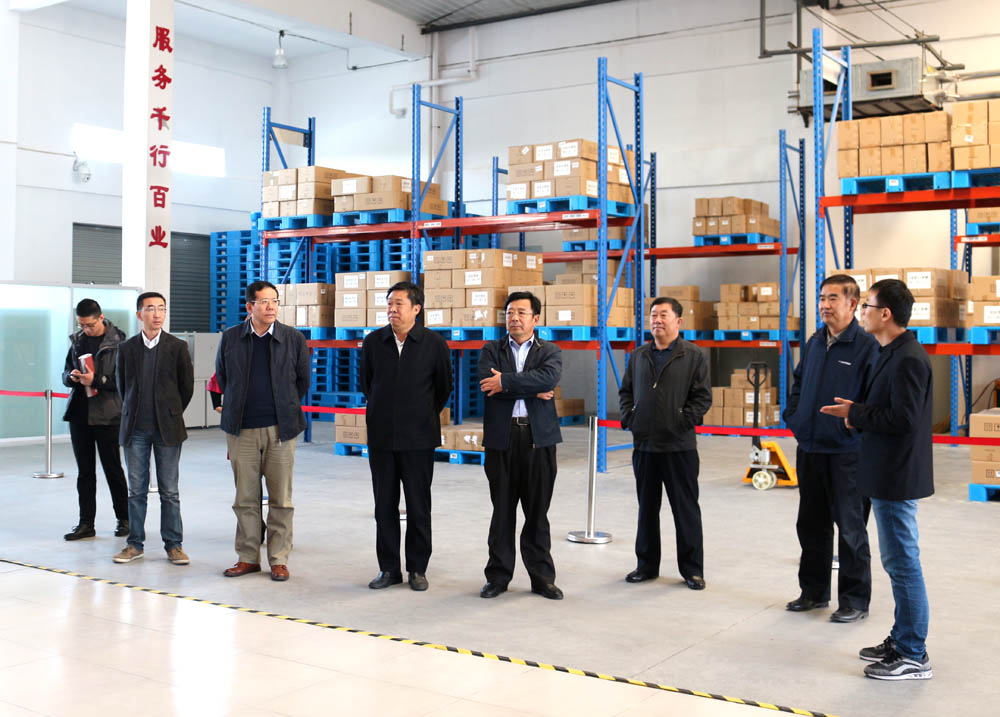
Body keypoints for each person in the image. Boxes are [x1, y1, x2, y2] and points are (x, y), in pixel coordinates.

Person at [821, 279, 934, 681]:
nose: (862, 312)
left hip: (896, 477)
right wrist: (858, 410)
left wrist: (856, 414)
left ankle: (913, 654)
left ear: (885, 314)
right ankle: (902, 639)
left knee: (903, 564)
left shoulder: (908, 359)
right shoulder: (891, 353)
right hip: (885, 472)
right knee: (896, 562)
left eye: (867, 306)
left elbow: (903, 419)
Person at [783, 275, 879, 622]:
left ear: (852, 304)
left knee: (851, 529)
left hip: (847, 453)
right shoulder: (814, 342)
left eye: (833, 298)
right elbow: (798, 382)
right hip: (810, 448)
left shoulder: (866, 346)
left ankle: (854, 600)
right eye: (822, 298)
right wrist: (794, 417)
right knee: (811, 525)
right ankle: (813, 592)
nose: (824, 305)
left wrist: (851, 428)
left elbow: (873, 399)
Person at [215, 280, 309, 582]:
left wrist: (283, 407)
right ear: (249, 306)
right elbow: (223, 377)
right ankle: (247, 558)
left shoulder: (292, 338)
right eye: (264, 301)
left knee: (281, 499)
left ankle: (278, 559)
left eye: (274, 301)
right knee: (245, 498)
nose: (271, 307)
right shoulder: (231, 338)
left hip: (281, 429)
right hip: (241, 430)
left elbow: (302, 381)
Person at [361, 281, 452, 592]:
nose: (392, 309)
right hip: (382, 439)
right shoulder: (374, 342)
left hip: (419, 439)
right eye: (389, 304)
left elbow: (443, 388)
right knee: (383, 507)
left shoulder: (433, 344)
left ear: (416, 309)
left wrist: (420, 414)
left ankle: (417, 569)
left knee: (418, 506)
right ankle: (388, 569)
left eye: (399, 304)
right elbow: (367, 384)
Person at [619, 297, 712, 590]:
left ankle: (692, 570)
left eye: (663, 315)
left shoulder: (693, 356)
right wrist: (630, 418)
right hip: (645, 446)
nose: (657, 320)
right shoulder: (639, 355)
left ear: (678, 321)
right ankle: (646, 566)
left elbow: (702, 398)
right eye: (653, 315)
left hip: (679, 447)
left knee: (685, 509)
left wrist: (681, 421)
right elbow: (626, 392)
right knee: (647, 509)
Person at [477, 291, 563, 600]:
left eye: (521, 313)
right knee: (502, 512)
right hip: (502, 439)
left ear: (535, 318)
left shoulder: (550, 350)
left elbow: (548, 379)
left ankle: (542, 579)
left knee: (537, 512)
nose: (514, 318)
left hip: (538, 440)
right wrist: (531, 387)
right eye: (510, 312)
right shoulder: (491, 350)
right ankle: (498, 577)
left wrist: (507, 382)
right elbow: (487, 384)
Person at [112, 292, 194, 565]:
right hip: (135, 429)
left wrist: (170, 412)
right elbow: (123, 387)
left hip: (167, 429)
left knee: (169, 491)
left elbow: (186, 388)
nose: (157, 314)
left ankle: (174, 545)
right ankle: (135, 544)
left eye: (161, 308)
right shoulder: (126, 348)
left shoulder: (177, 346)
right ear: (140, 314)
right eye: (150, 308)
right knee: (137, 490)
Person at [61, 298, 129, 541]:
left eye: (89, 325)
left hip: (108, 415)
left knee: (113, 469)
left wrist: (96, 380)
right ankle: (86, 523)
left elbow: (124, 381)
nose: (86, 329)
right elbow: (65, 371)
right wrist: (71, 377)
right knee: (85, 472)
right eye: (81, 325)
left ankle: (125, 519)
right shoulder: (77, 341)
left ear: (101, 318)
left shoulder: (119, 343)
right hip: (80, 414)